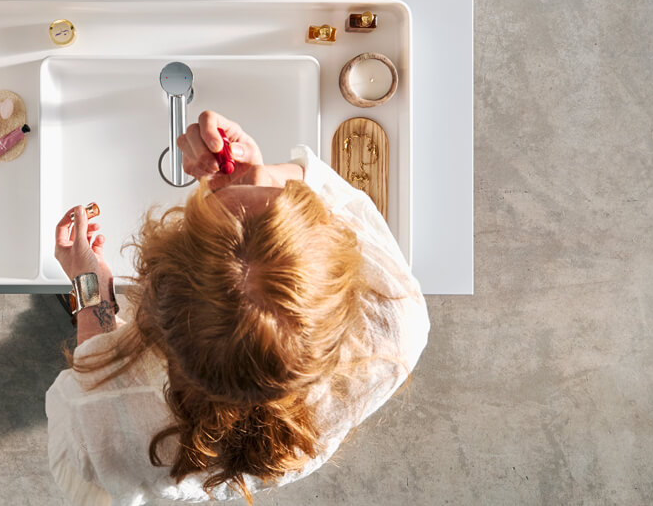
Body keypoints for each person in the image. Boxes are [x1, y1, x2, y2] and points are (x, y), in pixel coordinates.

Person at [46, 110, 430, 505]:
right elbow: (335, 197)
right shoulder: (397, 315)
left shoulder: (102, 422)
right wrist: (265, 176)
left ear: (151, 315)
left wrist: (89, 286)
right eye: (280, 203)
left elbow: (96, 371)